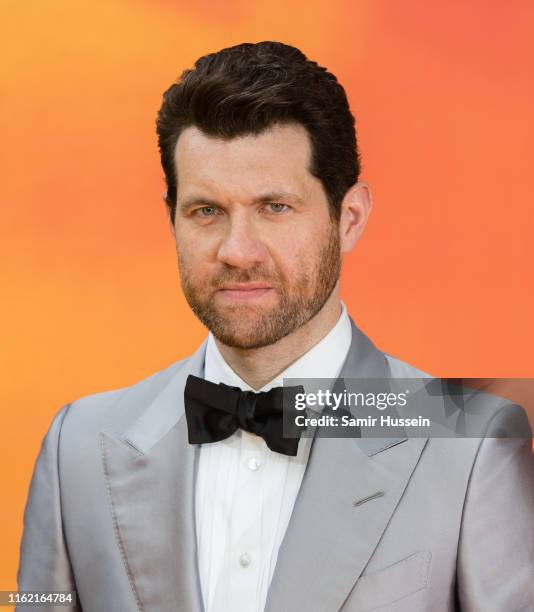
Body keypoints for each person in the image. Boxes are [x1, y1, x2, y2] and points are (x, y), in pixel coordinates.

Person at [17, 41, 534, 612]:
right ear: (172, 221)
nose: (237, 252)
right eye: (206, 210)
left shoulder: (472, 444)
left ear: (350, 218)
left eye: (275, 207)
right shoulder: (77, 448)